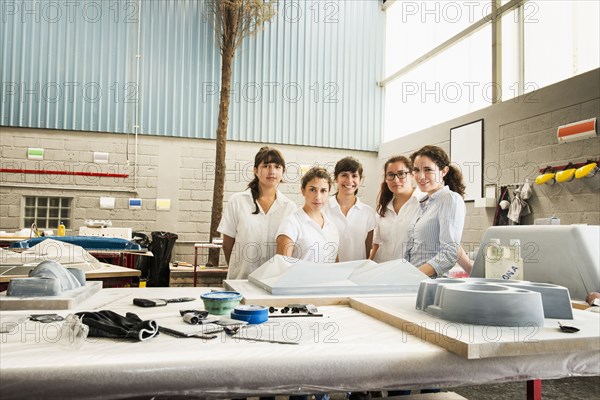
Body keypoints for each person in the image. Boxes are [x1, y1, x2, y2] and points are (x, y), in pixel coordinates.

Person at [218, 146, 297, 279]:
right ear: (255, 170)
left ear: (282, 171)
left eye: (277, 167)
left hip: (273, 282)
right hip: (240, 281)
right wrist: (238, 268)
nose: (272, 171)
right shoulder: (237, 201)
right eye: (266, 166)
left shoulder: (289, 208)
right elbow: (227, 245)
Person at [405, 145, 467, 278]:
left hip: (431, 283)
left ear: (443, 171)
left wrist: (413, 276)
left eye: (428, 170)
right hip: (413, 282)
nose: (421, 176)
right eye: (416, 170)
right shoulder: (422, 203)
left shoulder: (450, 199)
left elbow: (450, 252)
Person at [277, 166, 339, 263]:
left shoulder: (332, 227)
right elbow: (281, 267)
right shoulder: (291, 224)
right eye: (312, 190)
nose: (318, 197)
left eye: (323, 191)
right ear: (303, 190)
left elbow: (335, 265)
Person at [369, 155, 420, 263]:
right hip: (382, 269)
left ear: (412, 175)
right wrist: (368, 266)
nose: (396, 180)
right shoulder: (383, 208)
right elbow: (377, 244)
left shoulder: (424, 204)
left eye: (401, 174)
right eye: (391, 175)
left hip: (410, 271)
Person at [324, 157, 376, 261]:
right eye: (344, 175)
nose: (349, 180)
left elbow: (367, 249)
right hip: (329, 272)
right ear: (335, 178)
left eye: (354, 176)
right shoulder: (323, 210)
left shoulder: (368, 213)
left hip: (357, 272)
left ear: (360, 180)